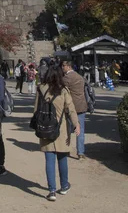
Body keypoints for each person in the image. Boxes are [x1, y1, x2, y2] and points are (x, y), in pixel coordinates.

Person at [34, 63, 80, 201]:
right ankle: (64, 185)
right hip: (61, 128)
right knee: (62, 158)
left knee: (49, 159)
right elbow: (70, 109)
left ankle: (52, 190)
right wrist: (76, 124)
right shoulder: (63, 90)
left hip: (45, 126)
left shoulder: (41, 88)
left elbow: (36, 109)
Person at [62, 60, 87, 160]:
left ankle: (66, 149)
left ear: (68, 66)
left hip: (71, 106)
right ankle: (80, 152)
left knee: (67, 129)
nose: (62, 67)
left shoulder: (66, 78)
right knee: (80, 130)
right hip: (81, 105)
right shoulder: (80, 77)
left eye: (63, 66)